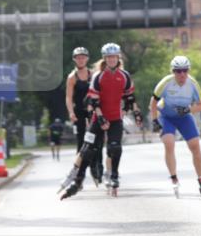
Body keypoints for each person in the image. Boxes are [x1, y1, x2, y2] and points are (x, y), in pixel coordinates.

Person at [60, 43, 143, 199]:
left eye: (114, 57)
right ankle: (77, 178)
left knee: (115, 148)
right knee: (87, 148)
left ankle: (113, 176)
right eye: (109, 57)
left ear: (118, 58)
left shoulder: (124, 76)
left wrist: (136, 112)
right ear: (105, 59)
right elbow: (94, 101)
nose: (111, 60)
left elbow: (130, 98)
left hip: (116, 118)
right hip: (98, 118)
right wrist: (99, 116)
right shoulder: (98, 76)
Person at [150, 55, 201, 197]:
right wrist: (155, 120)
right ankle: (173, 177)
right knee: (169, 143)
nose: (182, 74)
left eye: (185, 70)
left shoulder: (192, 84)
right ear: (173, 72)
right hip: (166, 116)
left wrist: (187, 110)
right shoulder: (166, 82)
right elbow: (153, 102)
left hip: (184, 117)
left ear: (188, 70)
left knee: (195, 145)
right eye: (178, 71)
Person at [65, 47, 104, 184]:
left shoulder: (93, 75)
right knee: (82, 143)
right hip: (79, 114)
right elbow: (69, 97)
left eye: (83, 57)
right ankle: (78, 175)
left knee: (97, 141)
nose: (81, 59)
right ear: (74, 59)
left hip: (93, 112)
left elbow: (99, 94)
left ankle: (97, 168)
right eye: (78, 57)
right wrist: (71, 112)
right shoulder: (72, 77)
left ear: (87, 59)